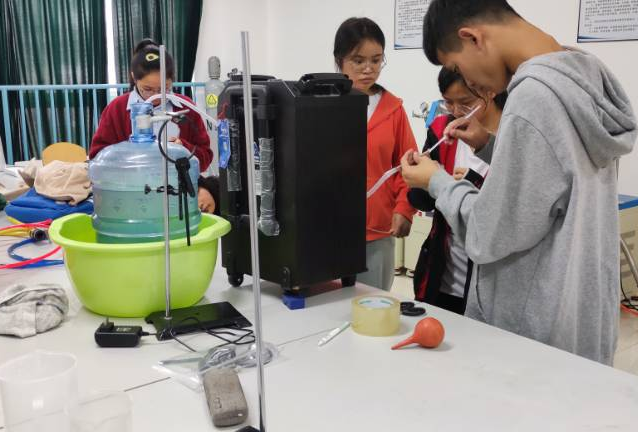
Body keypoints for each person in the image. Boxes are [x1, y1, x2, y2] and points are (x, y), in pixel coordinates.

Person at [401, 0, 636, 364]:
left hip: (534, 338)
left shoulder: (533, 99)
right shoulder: (582, 77)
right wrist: (489, 145)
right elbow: (552, 181)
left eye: (458, 67)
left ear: (472, 38)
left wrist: (437, 181)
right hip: (579, 323)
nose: (471, 83)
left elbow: (489, 234)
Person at [409, 67, 505, 314]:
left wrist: (466, 182)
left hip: (488, 286)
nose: (455, 111)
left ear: (490, 91)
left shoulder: (512, 137)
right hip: (442, 275)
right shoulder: (443, 129)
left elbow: (503, 213)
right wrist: (420, 178)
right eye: (448, 102)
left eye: (465, 102)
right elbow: (422, 201)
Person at [334, 17, 418, 291]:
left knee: (372, 305)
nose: (368, 69)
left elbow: (408, 166)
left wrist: (404, 209)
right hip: (329, 228)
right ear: (340, 60)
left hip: (377, 231)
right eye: (358, 61)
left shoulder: (393, 110)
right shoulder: (321, 106)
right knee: (326, 306)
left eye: (376, 60)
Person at [89, 39, 217, 213]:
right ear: (134, 78)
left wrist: (183, 149)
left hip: (177, 195)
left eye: (164, 88)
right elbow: (97, 157)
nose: (156, 96)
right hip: (132, 195)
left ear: (172, 80)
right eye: (147, 89)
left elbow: (205, 157)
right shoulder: (116, 109)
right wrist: (129, 157)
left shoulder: (186, 108)